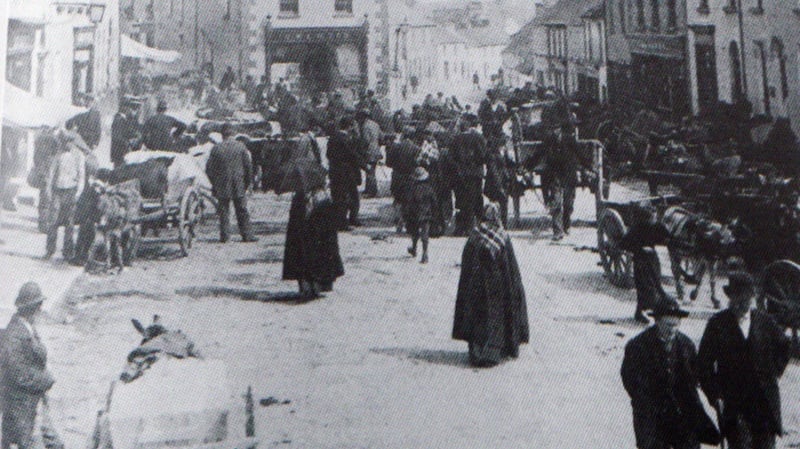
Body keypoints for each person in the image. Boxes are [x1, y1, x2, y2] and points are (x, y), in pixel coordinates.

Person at [697, 272, 792, 449]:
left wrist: (774, 372)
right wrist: (715, 394)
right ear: (730, 297)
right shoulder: (717, 324)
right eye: (737, 297)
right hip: (734, 404)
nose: (741, 302)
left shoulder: (765, 322)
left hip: (764, 403)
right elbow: (703, 365)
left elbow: (785, 347)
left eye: (746, 298)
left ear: (752, 298)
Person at [621, 300, 721, 449]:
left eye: (675, 325)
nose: (672, 330)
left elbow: (695, 376)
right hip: (651, 414)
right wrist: (644, 400)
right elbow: (629, 378)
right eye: (668, 325)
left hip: (682, 412)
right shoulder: (638, 346)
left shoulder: (686, 345)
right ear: (657, 322)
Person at [452, 203, 528, 367]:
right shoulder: (502, 237)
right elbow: (511, 267)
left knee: (478, 317)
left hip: (476, 286)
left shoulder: (475, 235)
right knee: (496, 317)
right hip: (497, 287)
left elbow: (467, 262)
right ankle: (493, 352)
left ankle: (477, 352)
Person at [0, 282, 62, 449]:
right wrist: (45, 379)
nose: (40, 309)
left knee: (54, 444)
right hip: (20, 407)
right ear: (30, 308)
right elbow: (19, 374)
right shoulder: (14, 335)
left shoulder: (28, 327)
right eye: (38, 305)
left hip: (34, 401)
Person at [280, 161, 344, 298]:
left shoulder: (301, 198)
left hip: (307, 238)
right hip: (315, 239)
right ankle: (315, 285)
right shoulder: (322, 196)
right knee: (316, 258)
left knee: (306, 259)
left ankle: (308, 286)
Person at [205, 124, 258, 243]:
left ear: (222, 135)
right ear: (233, 133)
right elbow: (248, 167)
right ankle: (247, 235)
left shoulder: (216, 148)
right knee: (242, 210)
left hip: (222, 184)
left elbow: (209, 169)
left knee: (223, 211)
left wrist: (214, 183)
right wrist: (247, 183)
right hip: (238, 182)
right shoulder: (241, 147)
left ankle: (225, 236)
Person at [620, 205, 671, 323]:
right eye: (652, 218)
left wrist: (668, 240)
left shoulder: (656, 226)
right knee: (644, 287)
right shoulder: (636, 229)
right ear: (645, 219)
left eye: (655, 217)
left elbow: (666, 237)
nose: (655, 219)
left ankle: (644, 312)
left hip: (653, 260)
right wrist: (641, 249)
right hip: (641, 261)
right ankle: (642, 312)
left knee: (656, 283)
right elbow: (623, 244)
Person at [44, 131, 85, 260]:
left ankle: (68, 252)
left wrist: (78, 192)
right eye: (64, 141)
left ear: (73, 142)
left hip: (71, 190)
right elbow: (51, 174)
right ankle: (50, 250)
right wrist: (48, 190)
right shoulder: (58, 154)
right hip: (58, 190)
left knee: (69, 223)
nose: (66, 144)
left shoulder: (79, 156)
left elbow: (81, 176)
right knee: (53, 221)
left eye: (69, 141)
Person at [450, 115, 487, 236]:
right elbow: (483, 155)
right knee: (476, 198)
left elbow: (451, 158)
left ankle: (460, 228)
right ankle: (475, 226)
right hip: (475, 174)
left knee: (461, 200)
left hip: (460, 174)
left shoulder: (455, 139)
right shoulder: (478, 137)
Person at [543, 124, 579, 240]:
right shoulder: (548, 141)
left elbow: (580, 154)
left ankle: (566, 224)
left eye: (556, 128)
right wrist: (527, 167)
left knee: (568, 203)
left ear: (560, 129)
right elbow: (538, 155)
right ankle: (558, 231)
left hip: (568, 175)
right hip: (555, 176)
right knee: (556, 202)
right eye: (552, 129)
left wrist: (589, 167)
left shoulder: (570, 140)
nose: (554, 131)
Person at [326, 117, 364, 230]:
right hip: (347, 171)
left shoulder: (332, 138)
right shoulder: (346, 139)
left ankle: (341, 221)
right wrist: (363, 165)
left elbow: (328, 154)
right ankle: (349, 220)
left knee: (338, 197)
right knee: (351, 196)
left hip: (335, 171)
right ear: (349, 126)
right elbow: (352, 155)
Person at [386, 127, 421, 233]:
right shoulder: (416, 148)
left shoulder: (395, 147)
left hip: (397, 177)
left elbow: (388, 163)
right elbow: (418, 164)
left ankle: (399, 221)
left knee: (398, 199)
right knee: (409, 200)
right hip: (410, 177)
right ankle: (408, 223)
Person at [404, 167, 436, 264]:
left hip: (414, 214)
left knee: (414, 232)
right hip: (426, 214)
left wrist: (406, 214)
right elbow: (434, 202)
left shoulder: (411, 189)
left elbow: (408, 202)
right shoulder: (429, 188)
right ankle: (425, 254)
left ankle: (414, 248)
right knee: (425, 234)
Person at [31, 127, 61, 233]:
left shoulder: (39, 141)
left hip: (43, 174)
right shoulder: (53, 142)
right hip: (50, 176)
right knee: (51, 200)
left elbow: (35, 158)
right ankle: (49, 224)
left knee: (43, 199)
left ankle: (42, 224)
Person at [355, 109, 382, 198]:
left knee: (369, 171)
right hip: (376, 150)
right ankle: (368, 189)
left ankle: (371, 192)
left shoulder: (365, 126)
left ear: (363, 117)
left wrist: (360, 148)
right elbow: (381, 137)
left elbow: (366, 140)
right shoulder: (376, 124)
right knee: (372, 170)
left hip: (369, 151)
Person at [110, 102, 140, 168]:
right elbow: (117, 136)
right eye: (130, 108)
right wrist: (129, 142)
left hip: (123, 151)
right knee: (120, 170)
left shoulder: (124, 119)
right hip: (120, 152)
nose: (131, 110)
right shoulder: (118, 119)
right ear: (125, 108)